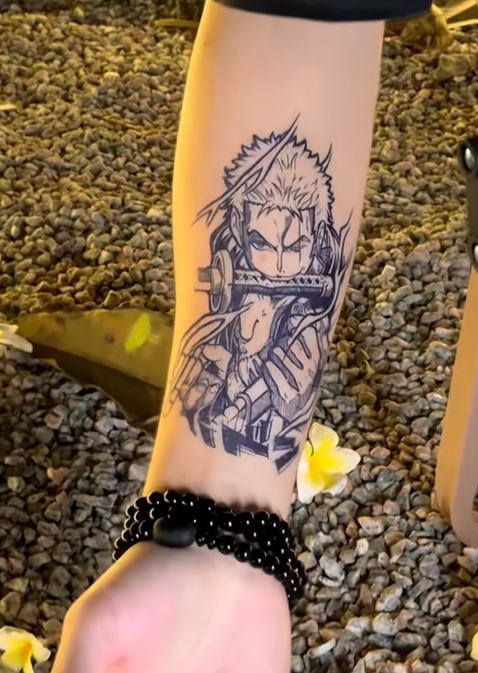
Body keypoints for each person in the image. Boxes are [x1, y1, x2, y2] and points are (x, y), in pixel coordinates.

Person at [51, 1, 432, 671]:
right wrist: (212, 541)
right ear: (235, 244)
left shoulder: (292, 332)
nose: (279, 263)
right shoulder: (223, 333)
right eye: (262, 243)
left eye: (294, 247)